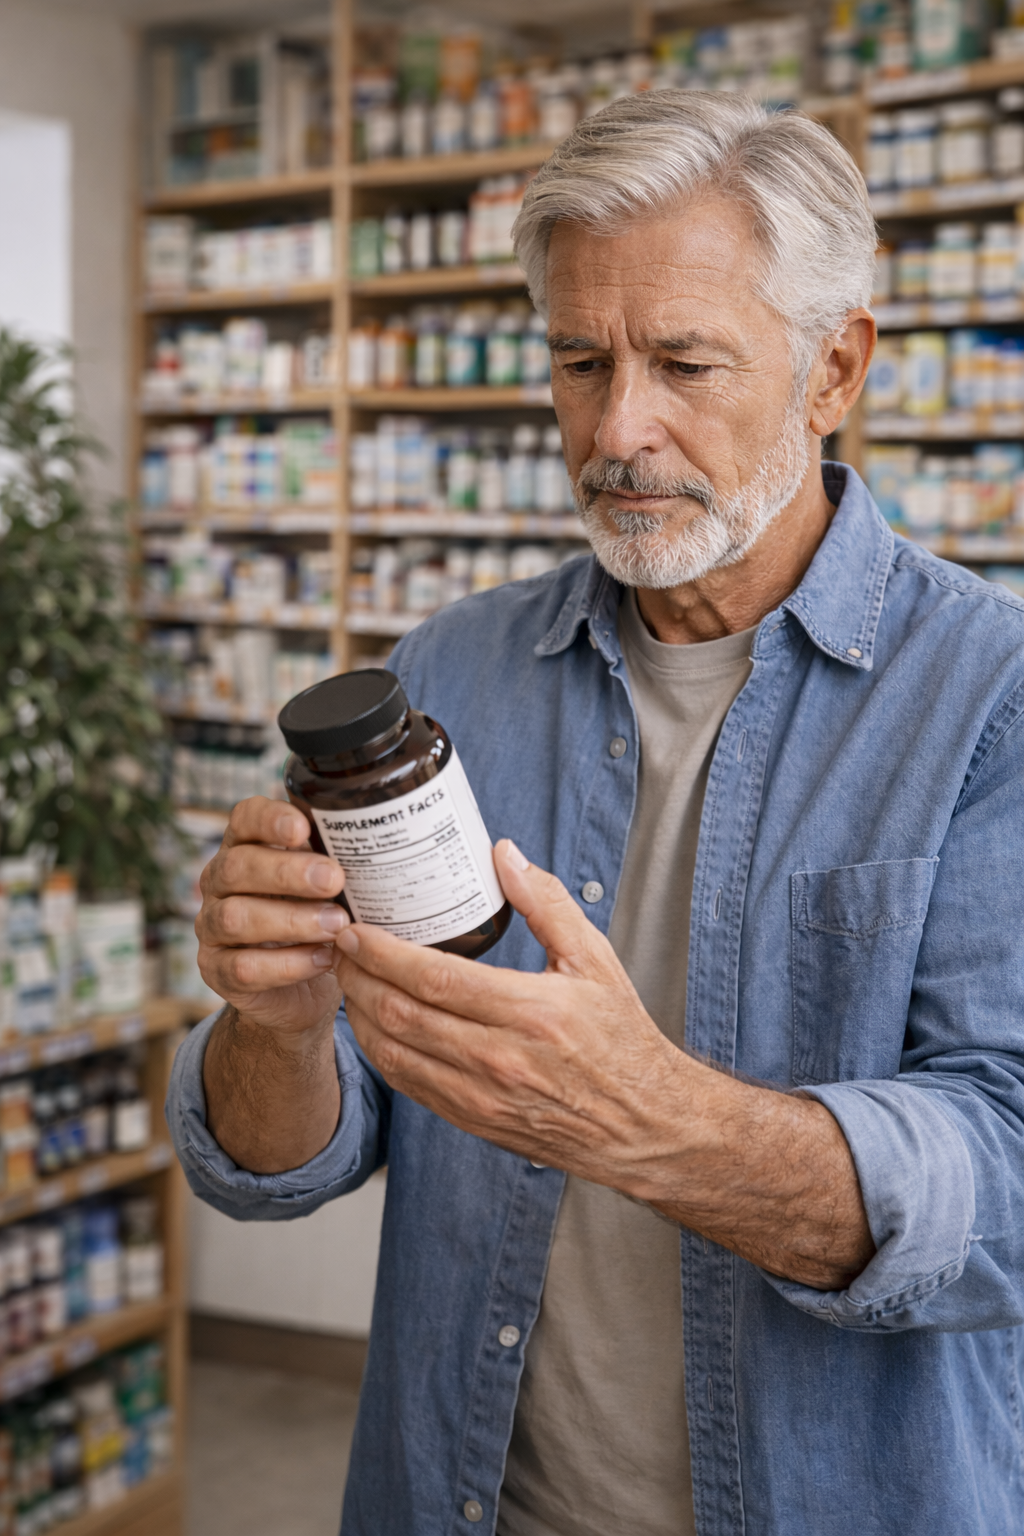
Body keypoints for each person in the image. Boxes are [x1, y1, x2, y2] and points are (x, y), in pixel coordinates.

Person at [168, 93, 1024, 1536]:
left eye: (685, 362)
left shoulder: (991, 699)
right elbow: (278, 1167)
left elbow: (1007, 1189)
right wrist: (277, 1019)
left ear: (834, 368)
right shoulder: (450, 676)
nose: (620, 429)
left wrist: (655, 1121)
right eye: (581, 361)